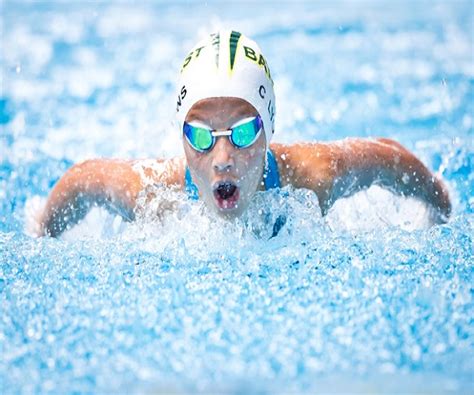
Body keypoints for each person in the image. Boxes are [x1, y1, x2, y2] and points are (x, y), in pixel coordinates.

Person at [36, 30, 451, 238]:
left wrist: (440, 206)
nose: (222, 157)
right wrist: (40, 232)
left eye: (244, 131)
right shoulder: (153, 196)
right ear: (181, 137)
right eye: (200, 136)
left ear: (269, 129)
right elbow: (82, 178)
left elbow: (390, 157)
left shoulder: (312, 178)